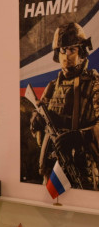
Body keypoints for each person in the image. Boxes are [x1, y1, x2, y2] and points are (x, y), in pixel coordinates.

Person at [30, 22, 99, 190]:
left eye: (71, 50)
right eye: (62, 50)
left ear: (81, 51)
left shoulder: (93, 84)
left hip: (82, 170)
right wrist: (36, 123)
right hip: (52, 170)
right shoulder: (52, 86)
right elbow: (39, 138)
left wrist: (80, 136)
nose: (66, 55)